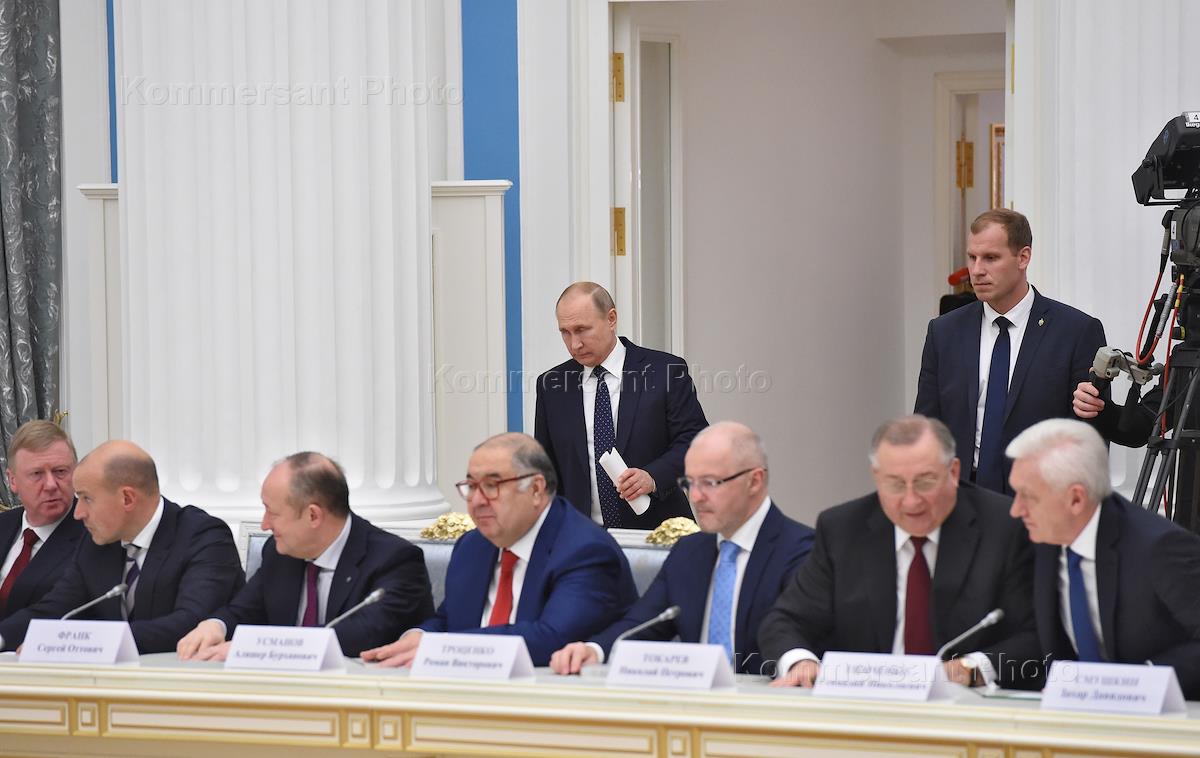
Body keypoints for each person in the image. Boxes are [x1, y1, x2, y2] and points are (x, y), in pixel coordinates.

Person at [758, 415, 1040, 689]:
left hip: (968, 705)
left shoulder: (1005, 526)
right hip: (867, 703)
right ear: (876, 477)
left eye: (925, 482)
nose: (910, 500)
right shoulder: (842, 530)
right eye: (894, 484)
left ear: (953, 472)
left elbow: (1035, 637)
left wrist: (970, 669)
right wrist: (801, 662)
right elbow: (784, 621)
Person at [549, 422, 814, 676]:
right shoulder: (689, 552)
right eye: (689, 483)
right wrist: (594, 650)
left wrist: (795, 663)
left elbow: (794, 634)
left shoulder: (801, 551)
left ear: (754, 481)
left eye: (710, 483)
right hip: (692, 700)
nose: (695, 497)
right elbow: (641, 624)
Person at [361, 433, 638, 667]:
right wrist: (420, 635)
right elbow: (449, 620)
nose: (477, 501)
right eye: (471, 486)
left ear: (536, 489)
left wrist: (442, 647)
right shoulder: (473, 546)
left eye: (491, 486)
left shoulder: (584, 549)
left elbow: (551, 639)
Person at [915, 209, 1106, 494]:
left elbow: (1088, 437)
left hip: (1041, 500)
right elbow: (927, 425)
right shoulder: (944, 332)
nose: (977, 270)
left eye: (991, 258)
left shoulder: (1076, 332)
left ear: (1023, 257)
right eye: (972, 257)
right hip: (962, 498)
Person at [1007, 418, 1200, 699]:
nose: (1016, 510)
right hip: (1070, 708)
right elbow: (1034, 634)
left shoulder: (1158, 548)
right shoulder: (1043, 536)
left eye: (1028, 497)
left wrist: (1139, 681)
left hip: (1162, 713)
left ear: (1076, 499)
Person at [176, 452, 434, 660]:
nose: (264, 525)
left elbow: (358, 635)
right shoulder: (280, 553)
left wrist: (261, 650)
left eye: (272, 513)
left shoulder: (394, 560)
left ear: (313, 515)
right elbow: (244, 610)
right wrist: (216, 625)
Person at [0, 440, 244, 653]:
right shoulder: (96, 544)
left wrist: (84, 642)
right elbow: (54, 609)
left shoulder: (204, 537)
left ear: (127, 498)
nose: (78, 513)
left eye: (87, 498)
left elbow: (189, 623)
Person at [534, 282, 708, 529]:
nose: (575, 344)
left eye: (582, 330)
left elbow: (695, 441)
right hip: (582, 536)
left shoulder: (665, 371)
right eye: (565, 332)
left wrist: (653, 477)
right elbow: (545, 466)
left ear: (611, 319)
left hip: (658, 531)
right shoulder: (551, 385)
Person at [0, 421, 85, 619]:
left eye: (60, 471)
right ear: (12, 481)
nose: (50, 485)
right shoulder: (4, 525)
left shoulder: (92, 534)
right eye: (37, 474)